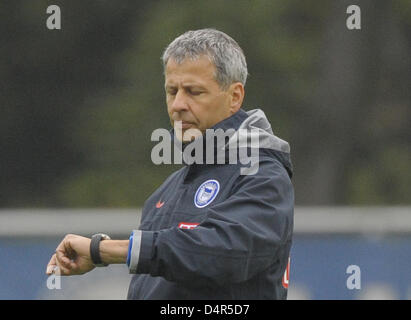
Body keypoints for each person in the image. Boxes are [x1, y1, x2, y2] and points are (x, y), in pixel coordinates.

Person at [46, 28, 294, 300]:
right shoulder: (165, 192)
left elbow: (223, 252)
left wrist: (103, 250)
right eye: (171, 91)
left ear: (234, 97)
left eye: (193, 92)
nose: (177, 105)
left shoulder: (263, 174)